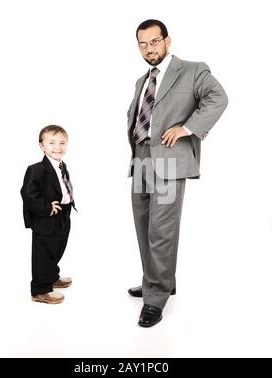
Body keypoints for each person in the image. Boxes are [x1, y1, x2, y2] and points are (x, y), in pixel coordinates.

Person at [127, 19, 228, 327]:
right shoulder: (141, 80)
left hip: (169, 160)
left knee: (162, 227)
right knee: (144, 222)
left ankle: (156, 296)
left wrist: (186, 128)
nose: (148, 49)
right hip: (142, 158)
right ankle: (156, 280)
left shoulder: (193, 70)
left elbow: (218, 98)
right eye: (142, 44)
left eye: (154, 42)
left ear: (167, 41)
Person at [21, 125, 77, 304]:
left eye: (62, 142)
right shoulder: (36, 169)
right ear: (42, 146)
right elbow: (28, 193)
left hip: (63, 213)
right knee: (43, 253)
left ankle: (51, 276)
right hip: (46, 217)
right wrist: (46, 208)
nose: (58, 147)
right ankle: (40, 289)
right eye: (51, 143)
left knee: (57, 247)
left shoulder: (61, 165)